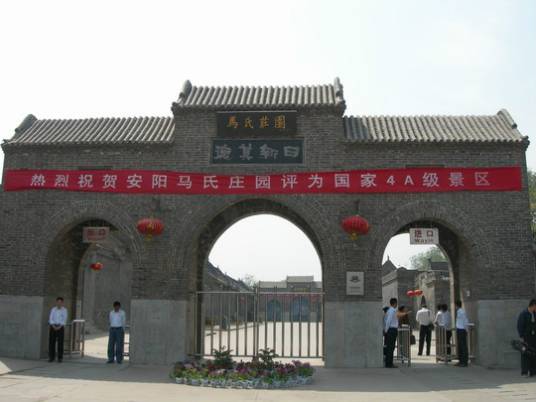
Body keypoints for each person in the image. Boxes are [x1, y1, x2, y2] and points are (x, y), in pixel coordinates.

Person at [517, 299, 536, 377]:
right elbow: (520, 325)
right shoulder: (524, 314)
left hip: (534, 337)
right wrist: (521, 336)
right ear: (533, 305)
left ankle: (533, 372)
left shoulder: (534, 314)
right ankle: (524, 372)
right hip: (526, 337)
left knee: (533, 353)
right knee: (525, 353)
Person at [48, 296, 68, 363]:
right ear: (56, 302)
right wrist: (53, 326)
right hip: (53, 327)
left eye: (60, 302)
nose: (59, 303)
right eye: (58, 302)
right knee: (52, 342)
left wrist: (59, 326)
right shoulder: (53, 309)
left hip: (60, 327)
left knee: (60, 343)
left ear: (62, 303)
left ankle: (60, 357)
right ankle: (51, 357)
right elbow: (50, 318)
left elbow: (64, 319)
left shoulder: (64, 310)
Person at [384, 298, 399, 368]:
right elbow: (388, 321)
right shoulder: (392, 311)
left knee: (390, 347)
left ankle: (389, 362)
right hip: (391, 330)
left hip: (390, 330)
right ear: (395, 303)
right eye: (396, 303)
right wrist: (386, 330)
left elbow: (386, 321)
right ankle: (389, 363)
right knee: (391, 347)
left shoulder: (389, 310)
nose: (397, 304)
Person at [455, 300, 469, 367]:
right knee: (460, 346)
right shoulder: (458, 312)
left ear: (456, 305)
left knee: (463, 346)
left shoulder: (462, 312)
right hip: (459, 329)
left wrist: (466, 329)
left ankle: (464, 361)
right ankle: (460, 361)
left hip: (462, 330)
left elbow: (465, 321)